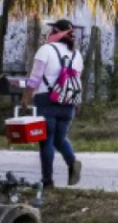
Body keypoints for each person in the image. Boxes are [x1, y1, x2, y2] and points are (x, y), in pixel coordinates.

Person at [22, 19, 84, 189]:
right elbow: (76, 79)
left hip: (47, 99)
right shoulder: (76, 54)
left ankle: (47, 181)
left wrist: (26, 96)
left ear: (55, 32)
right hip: (68, 102)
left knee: (46, 140)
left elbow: (35, 78)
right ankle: (72, 162)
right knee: (60, 138)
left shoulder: (45, 50)